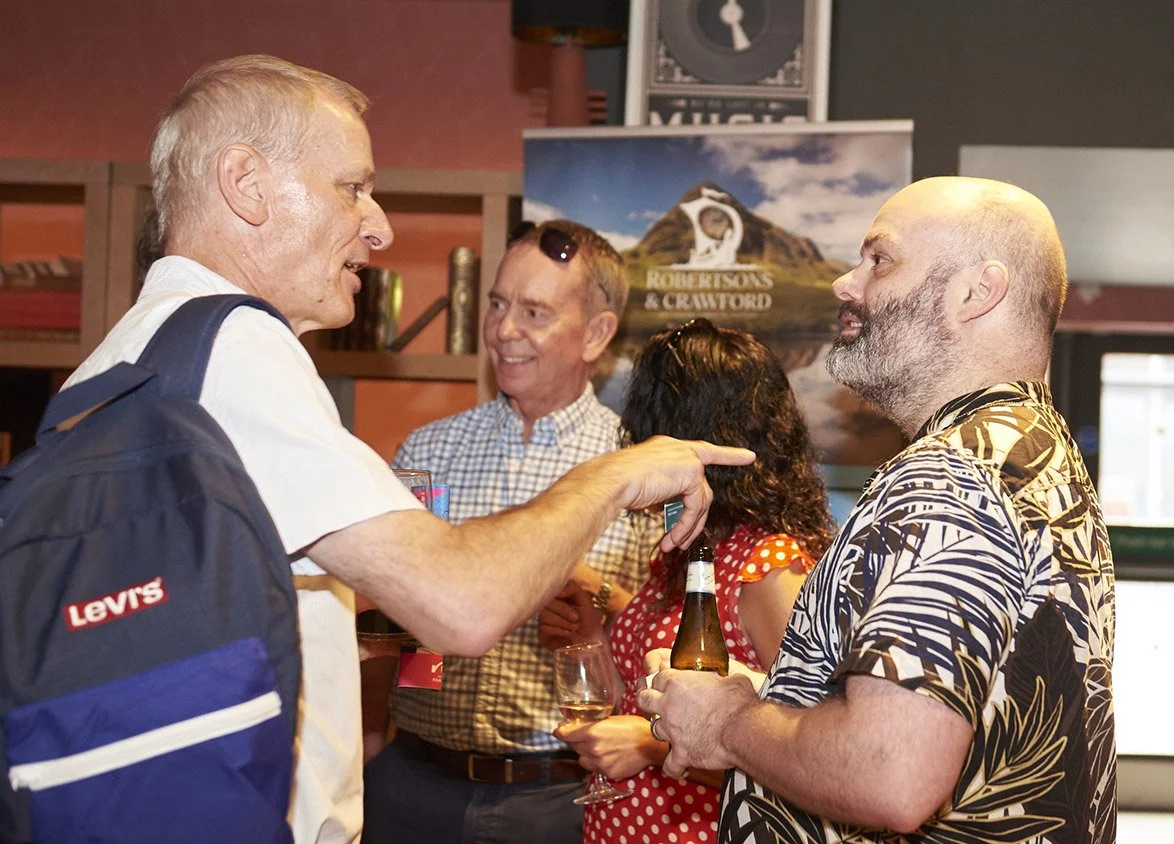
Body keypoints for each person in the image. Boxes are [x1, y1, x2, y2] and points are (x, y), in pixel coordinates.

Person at [62, 54, 753, 844]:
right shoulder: (235, 356)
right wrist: (616, 474)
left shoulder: (128, 355)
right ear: (245, 183)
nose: (379, 226)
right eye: (350, 187)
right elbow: (461, 606)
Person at [638, 176, 1117, 843]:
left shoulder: (950, 476)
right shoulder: (1032, 450)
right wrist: (775, 699)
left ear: (976, 292)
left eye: (879, 260)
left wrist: (726, 721)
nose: (845, 282)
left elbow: (892, 770)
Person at [359, 219, 659, 844]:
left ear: (596, 334)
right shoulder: (428, 452)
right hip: (415, 785)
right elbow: (391, 617)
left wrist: (602, 599)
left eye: (534, 312)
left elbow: (673, 643)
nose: (503, 330)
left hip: (565, 799)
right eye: (497, 304)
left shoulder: (636, 467)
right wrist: (369, 747)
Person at [540, 318, 836, 844]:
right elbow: (641, 696)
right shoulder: (689, 551)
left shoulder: (768, 565)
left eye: (649, 428)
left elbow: (809, 760)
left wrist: (651, 746)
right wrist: (592, 634)